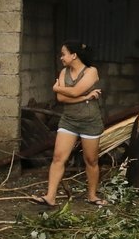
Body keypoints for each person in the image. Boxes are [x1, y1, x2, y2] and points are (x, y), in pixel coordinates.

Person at [31, 40, 105, 207]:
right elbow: (62, 98)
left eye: (64, 54)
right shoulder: (64, 72)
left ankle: (92, 196)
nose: (61, 58)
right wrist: (86, 97)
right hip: (69, 121)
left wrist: (57, 88)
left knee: (91, 160)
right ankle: (50, 196)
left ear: (74, 55)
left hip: (90, 122)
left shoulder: (91, 71)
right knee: (58, 158)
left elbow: (74, 91)